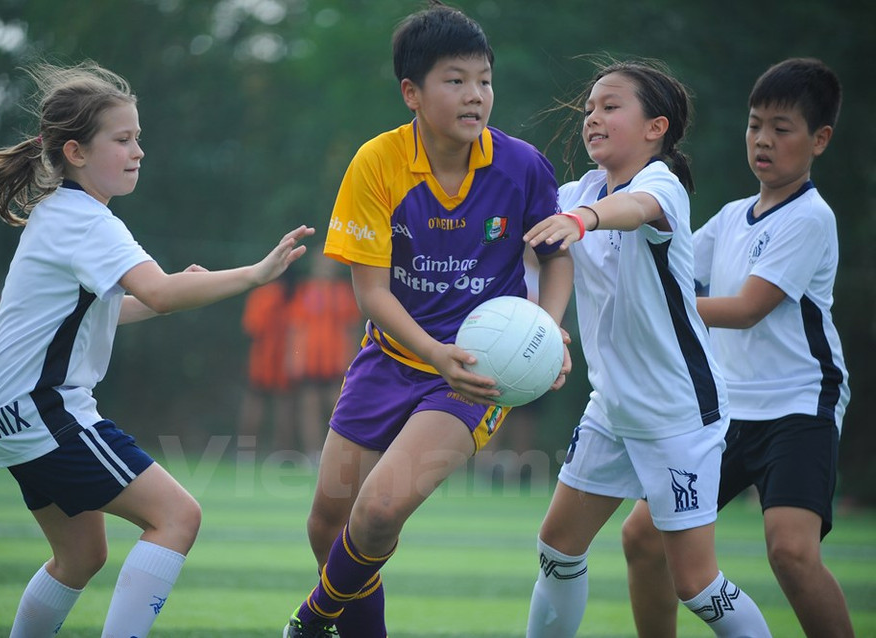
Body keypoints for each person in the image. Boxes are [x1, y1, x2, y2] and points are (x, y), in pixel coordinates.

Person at [0, 60, 314, 638]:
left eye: (138, 138)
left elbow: (104, 310)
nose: (137, 150)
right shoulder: (88, 221)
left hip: (6, 410)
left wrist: (173, 289)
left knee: (81, 557)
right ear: (74, 151)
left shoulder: (58, 213)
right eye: (122, 140)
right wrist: (253, 273)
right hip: (45, 407)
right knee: (177, 517)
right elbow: (163, 294)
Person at [282, 2, 572, 636]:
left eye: (485, 80)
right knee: (327, 524)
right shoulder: (376, 163)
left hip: (471, 376)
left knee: (380, 509)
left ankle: (310, 621)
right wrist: (431, 351)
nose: (476, 95)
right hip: (388, 360)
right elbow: (372, 295)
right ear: (411, 92)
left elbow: (556, 259)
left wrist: (546, 332)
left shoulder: (521, 166)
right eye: (456, 79)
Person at [522, 59, 771, 637]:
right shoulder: (577, 191)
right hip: (612, 407)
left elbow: (632, 211)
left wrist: (581, 220)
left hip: (678, 412)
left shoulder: (660, 184)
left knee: (697, 586)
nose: (593, 118)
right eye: (589, 110)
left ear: (655, 127)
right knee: (558, 549)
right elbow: (531, 243)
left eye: (611, 107)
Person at [621, 57, 853, 638]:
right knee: (642, 538)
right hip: (724, 412)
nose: (763, 141)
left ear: (819, 139)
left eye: (782, 128)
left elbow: (747, 309)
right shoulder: (728, 219)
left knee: (791, 554)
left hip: (798, 407)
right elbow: (667, 274)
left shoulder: (811, 218)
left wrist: (658, 314)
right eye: (755, 126)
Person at [285, 254, 362, 463]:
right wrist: (293, 358)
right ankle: (313, 455)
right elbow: (295, 327)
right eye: (321, 262)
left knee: (338, 405)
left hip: (335, 360)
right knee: (309, 406)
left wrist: (352, 358)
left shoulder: (344, 292)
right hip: (310, 361)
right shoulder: (305, 291)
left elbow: (352, 328)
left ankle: (342, 453)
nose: (325, 267)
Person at [239, 276, 298, 457]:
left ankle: (248, 452)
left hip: (270, 356)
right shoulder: (291, 295)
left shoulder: (262, 294)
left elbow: (251, 327)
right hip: (274, 356)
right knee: (277, 404)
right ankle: (277, 452)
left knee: (269, 403)